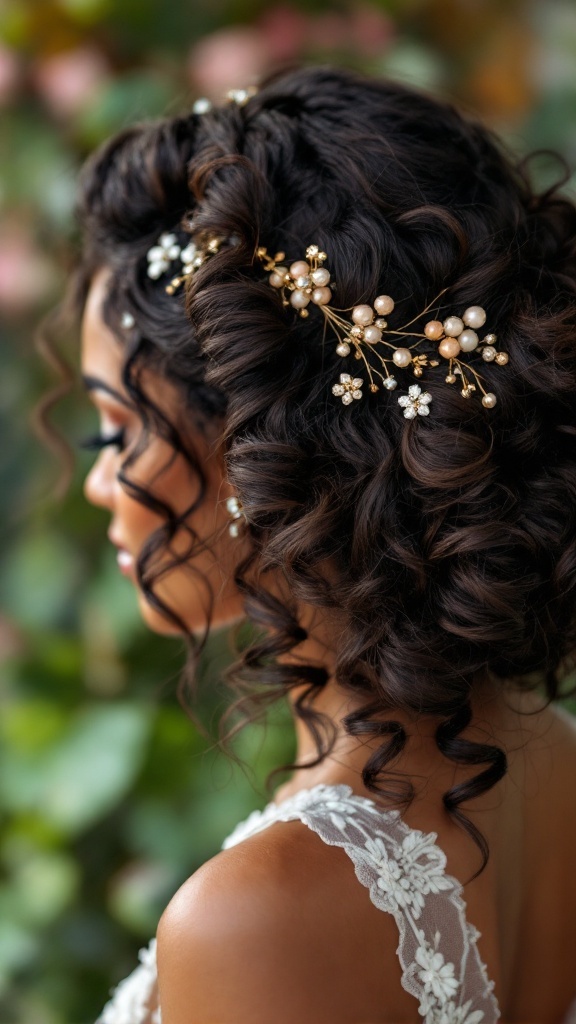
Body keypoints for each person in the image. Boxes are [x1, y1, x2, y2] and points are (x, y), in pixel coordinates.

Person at [67, 65, 576, 1023]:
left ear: (259, 445)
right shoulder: (556, 762)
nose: (102, 481)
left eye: (114, 429)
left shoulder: (253, 924)